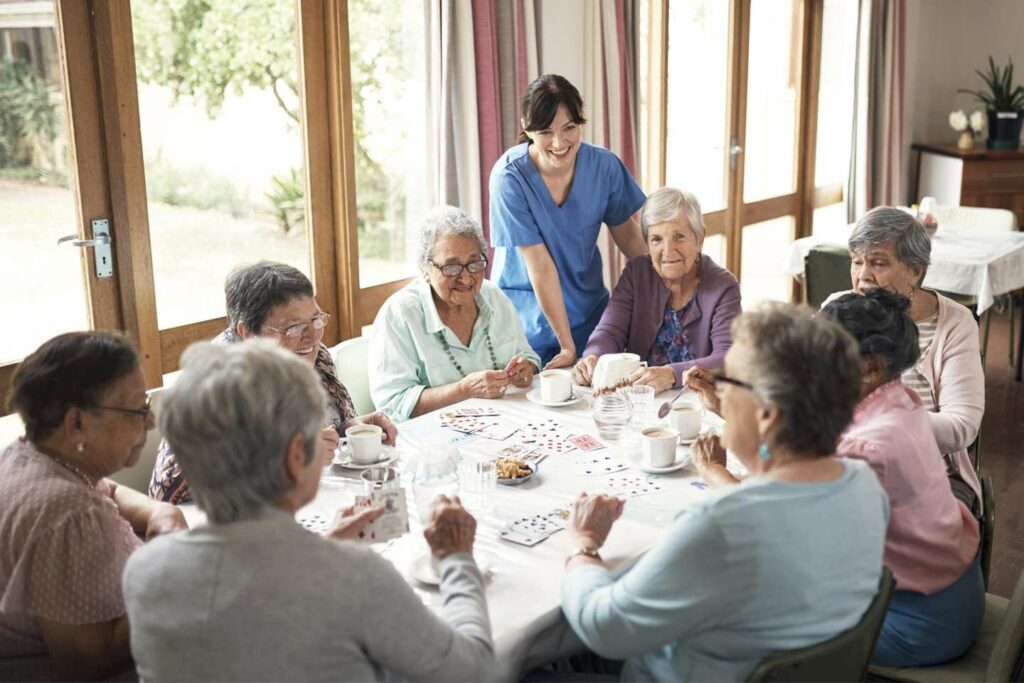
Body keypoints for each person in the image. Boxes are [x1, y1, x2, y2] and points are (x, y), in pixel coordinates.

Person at [123, 340, 494, 681]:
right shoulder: (353, 577)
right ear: (295, 455)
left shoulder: (145, 571)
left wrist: (324, 548)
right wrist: (456, 558)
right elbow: (472, 671)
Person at [560, 304, 888, 681]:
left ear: (768, 414)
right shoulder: (864, 483)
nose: (719, 390)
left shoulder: (723, 525)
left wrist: (582, 543)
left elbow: (605, 629)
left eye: (729, 381)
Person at [0, 332, 187, 681]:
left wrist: (160, 512)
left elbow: (107, 489)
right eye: (137, 410)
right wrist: (168, 569)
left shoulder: (30, 455)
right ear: (77, 424)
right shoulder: (68, 512)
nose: (150, 421)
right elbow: (89, 661)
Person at [821, 289, 983, 667]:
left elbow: (784, 528)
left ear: (871, 367)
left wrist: (720, 474)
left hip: (917, 626)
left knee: (749, 615)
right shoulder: (901, 399)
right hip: (951, 594)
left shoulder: (871, 448)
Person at [150, 261, 397, 503]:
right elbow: (168, 488)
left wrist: (352, 430)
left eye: (316, 320)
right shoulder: (212, 383)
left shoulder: (314, 355)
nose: (312, 336)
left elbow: (324, 434)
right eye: (294, 327)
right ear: (248, 332)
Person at [489, 74, 647, 369]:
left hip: (590, 315)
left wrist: (669, 276)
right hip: (525, 325)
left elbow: (626, 233)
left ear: (580, 123)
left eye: (569, 128)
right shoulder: (509, 179)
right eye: (545, 131)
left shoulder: (604, 167)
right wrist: (566, 345)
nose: (559, 143)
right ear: (526, 127)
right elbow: (540, 265)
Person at [832, 206, 984, 506]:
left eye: (878, 262)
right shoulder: (839, 307)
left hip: (931, 469)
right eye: (857, 261)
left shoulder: (954, 322)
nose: (863, 276)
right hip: (844, 457)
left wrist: (881, 421)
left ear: (916, 270)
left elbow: (961, 426)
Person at [370, 207, 540, 421]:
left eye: (475, 263)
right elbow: (394, 403)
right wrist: (463, 390)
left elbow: (529, 356)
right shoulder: (400, 315)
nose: (466, 278)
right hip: (432, 440)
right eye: (451, 268)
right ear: (425, 268)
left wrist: (526, 369)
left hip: (502, 424)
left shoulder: (494, 297)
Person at [571, 188, 741, 392]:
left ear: (700, 238)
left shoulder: (723, 286)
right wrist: (594, 356)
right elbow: (610, 330)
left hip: (695, 403)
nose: (668, 251)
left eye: (679, 236)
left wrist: (672, 374)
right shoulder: (636, 274)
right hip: (640, 399)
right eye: (656, 239)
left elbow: (728, 357)